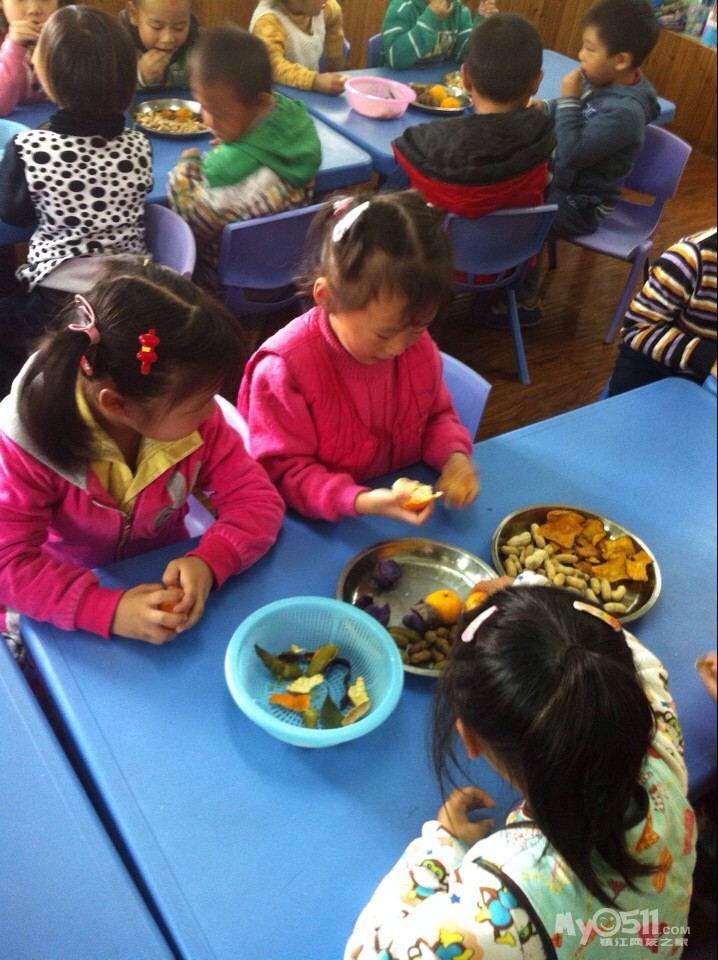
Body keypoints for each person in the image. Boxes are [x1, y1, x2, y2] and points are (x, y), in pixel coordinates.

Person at [346, 582, 696, 959]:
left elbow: (366, 953)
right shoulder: (660, 748)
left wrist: (441, 848)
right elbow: (629, 654)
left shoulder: (499, 907)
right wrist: (530, 592)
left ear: (469, 738)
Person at [0, 258, 285, 652]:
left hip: (159, 569)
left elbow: (257, 499)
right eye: (199, 403)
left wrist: (210, 560)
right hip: (68, 593)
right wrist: (105, 608)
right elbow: (9, 564)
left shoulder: (197, 421)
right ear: (116, 405)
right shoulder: (27, 444)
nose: (214, 411)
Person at [238, 191, 479, 523]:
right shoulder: (284, 370)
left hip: (393, 514)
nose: (397, 348)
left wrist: (454, 459)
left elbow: (436, 416)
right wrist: (360, 500)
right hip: (323, 522)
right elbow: (286, 473)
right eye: (383, 334)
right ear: (326, 297)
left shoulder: (417, 347)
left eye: (417, 326)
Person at [0, 5, 152, 398]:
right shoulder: (139, 145)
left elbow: (11, 214)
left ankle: (22, 395)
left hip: (54, 304)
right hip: (128, 297)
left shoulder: (29, 148)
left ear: (47, 78)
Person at [167, 24, 321, 291]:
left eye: (218, 113)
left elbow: (192, 223)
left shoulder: (229, 179)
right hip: (287, 269)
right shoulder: (292, 121)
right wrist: (238, 136)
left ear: (257, 104)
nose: (206, 119)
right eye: (202, 106)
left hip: (226, 284)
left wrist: (185, 167)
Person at [392, 13, 555, 219]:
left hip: (439, 241)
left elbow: (394, 183)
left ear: (465, 78)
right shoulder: (542, 141)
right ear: (536, 81)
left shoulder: (423, 146)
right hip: (517, 241)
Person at [534, 0, 660, 239]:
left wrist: (569, 98)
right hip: (562, 182)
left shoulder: (625, 113)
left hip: (581, 206)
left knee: (518, 221)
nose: (581, 54)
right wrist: (546, 107)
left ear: (620, 61)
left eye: (590, 49)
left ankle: (518, 261)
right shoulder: (604, 78)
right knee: (511, 190)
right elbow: (580, 108)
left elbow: (571, 155)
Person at [608, 226, 717, 396]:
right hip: (656, 366)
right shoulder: (688, 260)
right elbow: (637, 328)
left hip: (705, 378)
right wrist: (707, 357)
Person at [249, 0, 347, 96]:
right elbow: (273, 66)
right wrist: (314, 81)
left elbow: (335, 50)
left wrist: (339, 78)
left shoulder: (328, 8)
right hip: (275, 96)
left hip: (309, 93)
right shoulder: (267, 22)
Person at [380, 0, 498, 71]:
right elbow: (395, 59)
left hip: (439, 86)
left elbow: (463, 56)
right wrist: (431, 19)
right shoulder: (402, 7)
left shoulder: (459, 10)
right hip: (398, 87)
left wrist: (482, 26)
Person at [0, 0, 61, 116]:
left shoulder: (73, 32)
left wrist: (57, 42)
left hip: (56, 121)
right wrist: (14, 46)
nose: (34, 10)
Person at [119, 0, 198, 90]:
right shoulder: (118, 47)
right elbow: (111, 89)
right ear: (134, 14)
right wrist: (140, 76)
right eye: (157, 27)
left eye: (179, 28)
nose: (167, 39)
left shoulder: (199, 46)